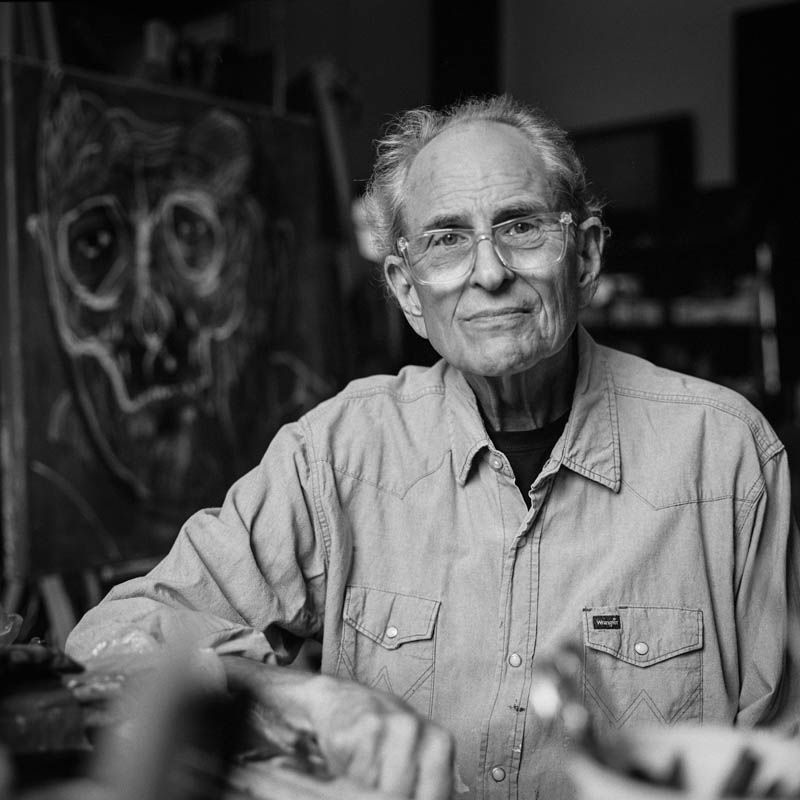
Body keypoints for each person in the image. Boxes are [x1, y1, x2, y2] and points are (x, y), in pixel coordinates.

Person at [66, 94, 800, 800]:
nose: (489, 273)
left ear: (584, 256)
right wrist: (294, 699)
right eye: (447, 239)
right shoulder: (339, 454)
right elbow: (114, 637)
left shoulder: (726, 458)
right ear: (407, 290)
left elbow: (785, 756)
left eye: (521, 226)